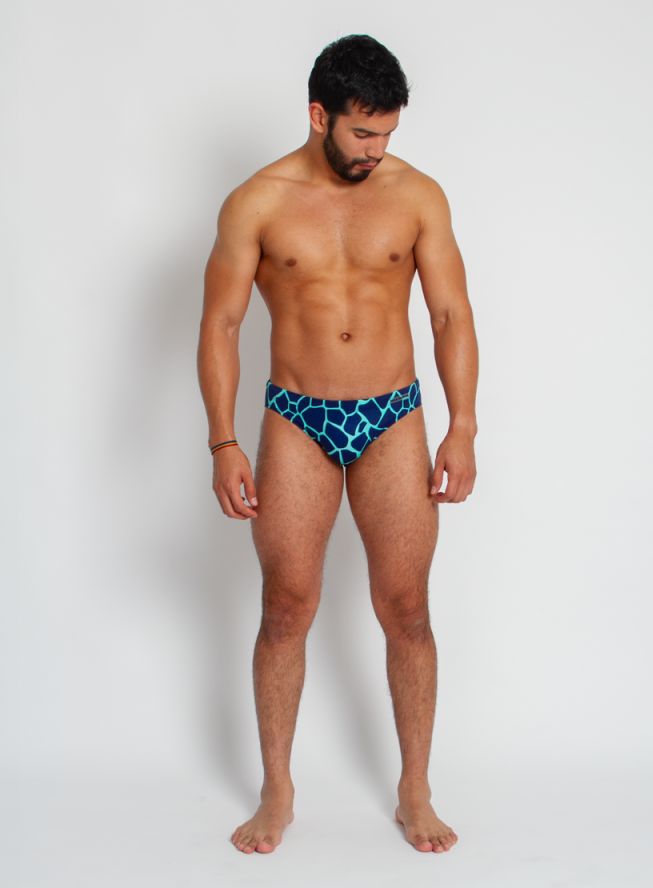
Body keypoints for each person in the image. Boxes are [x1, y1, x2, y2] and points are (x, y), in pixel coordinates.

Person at [197, 34, 478, 855]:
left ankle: (415, 789)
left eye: (386, 133)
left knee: (407, 609)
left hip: (393, 414)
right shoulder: (256, 202)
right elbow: (220, 324)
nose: (375, 150)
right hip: (297, 417)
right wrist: (222, 441)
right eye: (361, 133)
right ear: (319, 115)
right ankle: (277, 790)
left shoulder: (417, 195)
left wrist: (462, 425)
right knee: (285, 607)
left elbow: (451, 314)